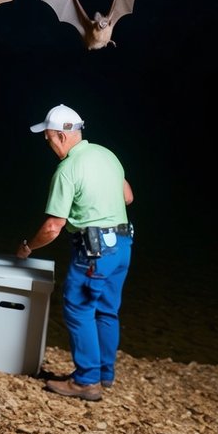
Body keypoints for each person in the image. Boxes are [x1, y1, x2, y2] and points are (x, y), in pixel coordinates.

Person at [16, 103, 134, 402]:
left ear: (60, 136)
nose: (47, 143)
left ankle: (86, 381)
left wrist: (28, 247)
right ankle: (105, 374)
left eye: (48, 138)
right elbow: (128, 197)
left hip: (94, 251)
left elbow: (54, 227)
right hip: (122, 245)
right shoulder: (107, 155)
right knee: (107, 310)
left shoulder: (67, 169)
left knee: (79, 308)